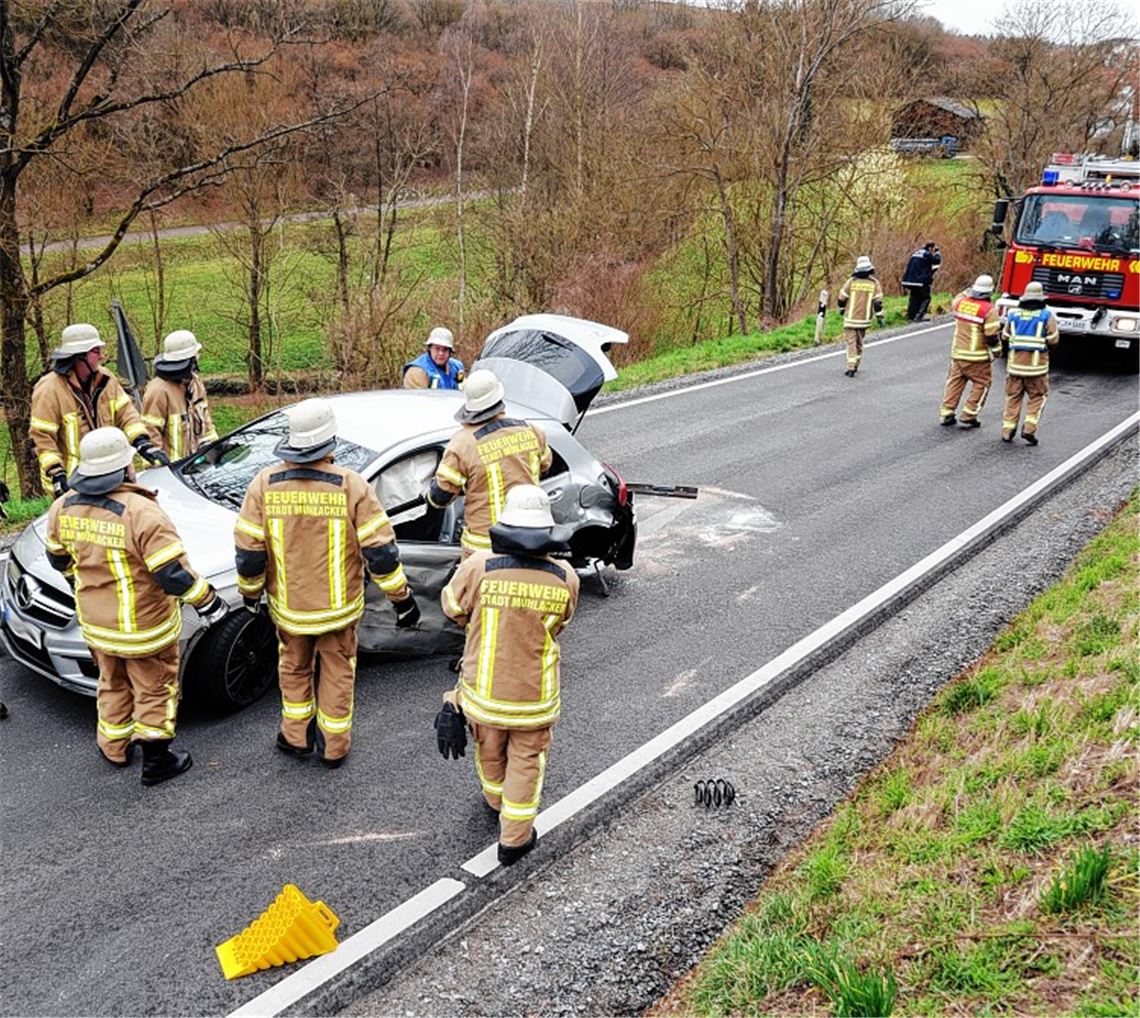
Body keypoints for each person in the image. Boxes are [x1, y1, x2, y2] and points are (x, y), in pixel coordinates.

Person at [234, 398, 420, 768]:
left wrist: (251, 594)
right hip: (339, 612)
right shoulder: (351, 486)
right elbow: (381, 554)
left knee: (293, 670)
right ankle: (333, 747)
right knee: (337, 674)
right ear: (329, 441)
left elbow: (249, 554)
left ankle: (295, 737)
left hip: (290, 611)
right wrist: (402, 601)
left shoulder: (264, 485)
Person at [44, 427, 225, 784]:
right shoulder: (141, 512)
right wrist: (209, 602)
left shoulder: (62, 506)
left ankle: (114, 746)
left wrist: (81, 585)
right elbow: (172, 574)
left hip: (96, 625)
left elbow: (58, 559)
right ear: (125, 468)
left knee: (111, 682)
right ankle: (157, 761)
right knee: (155, 688)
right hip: (144, 628)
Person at [435, 485, 580, 866]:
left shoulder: (478, 566)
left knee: (490, 751)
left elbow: (451, 608)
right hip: (534, 699)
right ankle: (514, 839)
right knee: (526, 762)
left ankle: (495, 800)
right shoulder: (565, 576)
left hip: (483, 695)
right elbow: (561, 623)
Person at [31, 323, 169, 497]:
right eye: (96, 351)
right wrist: (57, 473)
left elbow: (127, 415)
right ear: (79, 356)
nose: (102, 356)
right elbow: (42, 439)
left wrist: (143, 443)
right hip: (74, 484)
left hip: (110, 475)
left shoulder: (106, 379)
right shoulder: (49, 389)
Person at [426, 369, 553, 557]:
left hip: (484, 548)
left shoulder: (463, 444)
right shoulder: (532, 431)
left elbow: (440, 497)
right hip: (530, 541)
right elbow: (545, 467)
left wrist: (428, 493)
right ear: (499, 396)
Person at [141, 329, 219, 460]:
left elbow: (205, 420)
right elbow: (151, 432)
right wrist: (158, 465)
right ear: (190, 360)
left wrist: (214, 448)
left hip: (197, 464)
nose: (199, 356)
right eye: (196, 354)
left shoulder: (195, 383)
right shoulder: (158, 391)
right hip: (173, 469)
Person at [1000, 281, 1059, 446]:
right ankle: (1029, 428)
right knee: (1037, 397)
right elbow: (1054, 339)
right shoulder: (1047, 315)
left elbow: (1005, 336)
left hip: (1015, 367)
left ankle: (1007, 431)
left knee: (1013, 397)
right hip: (1037, 368)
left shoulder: (1013, 314)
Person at [939, 274, 1002, 429]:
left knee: (955, 382)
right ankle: (969, 413)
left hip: (957, 353)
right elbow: (992, 336)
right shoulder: (989, 310)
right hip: (977, 357)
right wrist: (997, 352)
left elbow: (960, 295)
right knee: (982, 383)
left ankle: (947, 412)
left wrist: (969, 290)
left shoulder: (959, 302)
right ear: (989, 292)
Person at [836, 256, 884, 377]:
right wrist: (880, 318)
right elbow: (878, 303)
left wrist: (841, 309)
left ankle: (850, 367)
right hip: (864, 320)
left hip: (850, 318)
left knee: (851, 342)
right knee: (859, 343)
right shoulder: (874, 283)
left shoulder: (851, 281)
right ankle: (856, 364)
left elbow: (841, 298)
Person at [901, 241, 942, 322]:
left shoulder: (916, 253)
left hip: (910, 280)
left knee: (914, 298)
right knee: (926, 298)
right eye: (933, 249)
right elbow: (936, 260)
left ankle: (910, 316)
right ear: (930, 248)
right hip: (920, 281)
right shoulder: (927, 254)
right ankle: (919, 316)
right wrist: (937, 252)